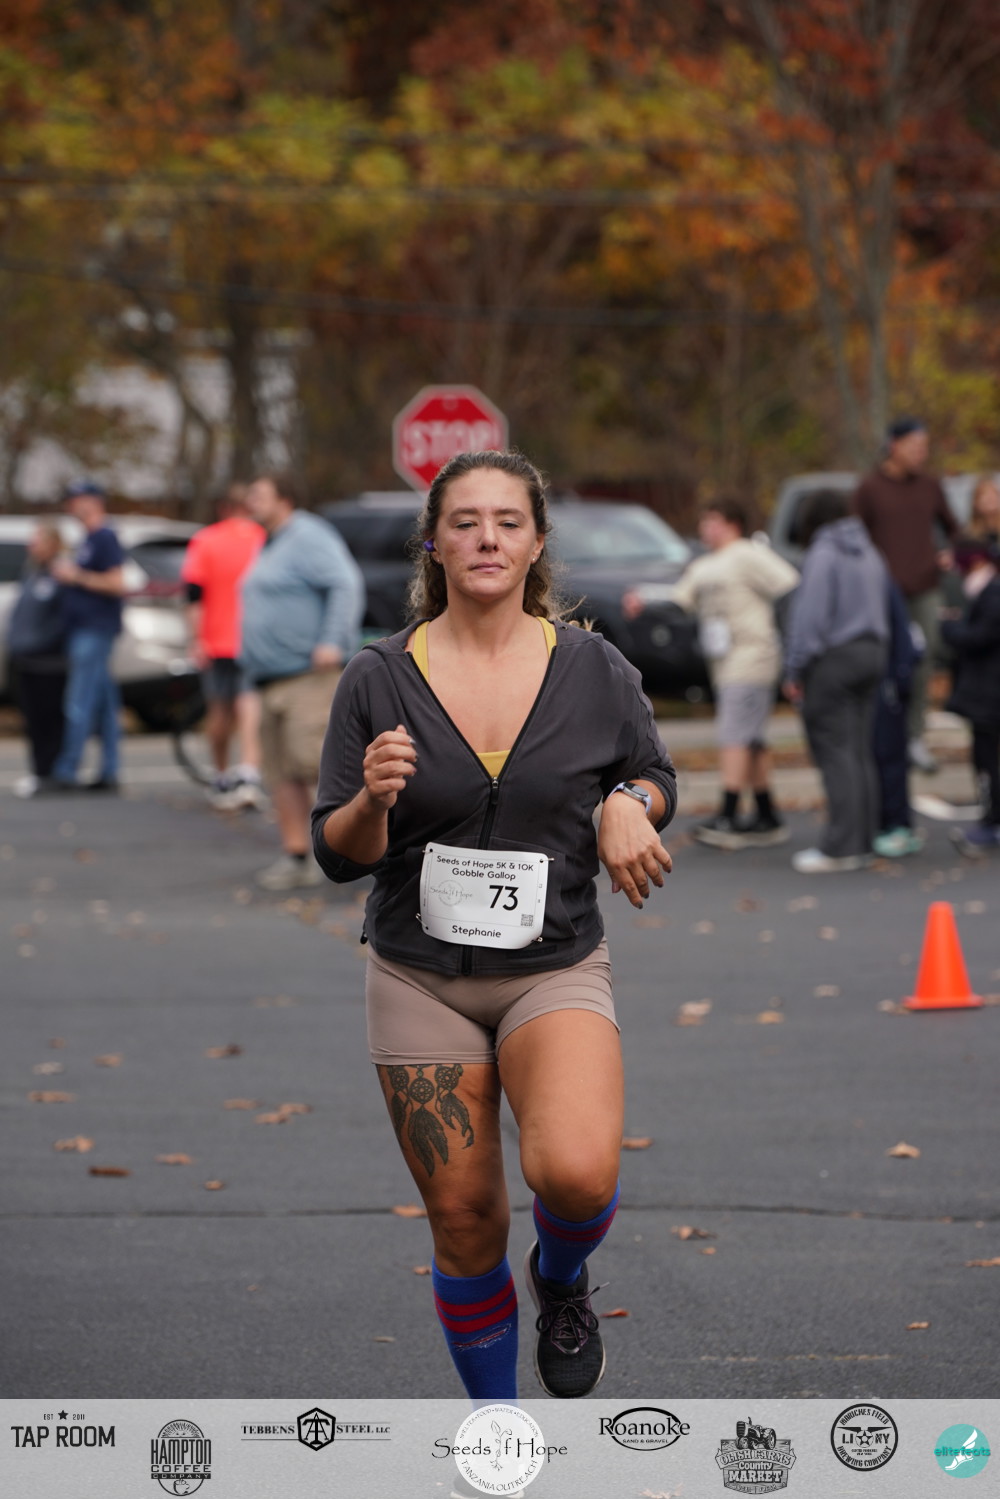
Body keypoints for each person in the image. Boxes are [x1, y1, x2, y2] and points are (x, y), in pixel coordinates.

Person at [311, 449, 677, 1404]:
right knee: (467, 1219)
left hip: (552, 963)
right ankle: (498, 1429)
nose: (486, 537)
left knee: (577, 1175)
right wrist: (372, 800)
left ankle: (561, 1273)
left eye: (508, 521)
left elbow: (653, 773)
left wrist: (627, 803)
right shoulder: (379, 677)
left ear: (537, 542)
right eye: (464, 521)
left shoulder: (593, 668)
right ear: (433, 543)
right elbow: (337, 852)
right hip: (419, 974)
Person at [241, 473, 365, 890]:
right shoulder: (271, 542)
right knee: (281, 772)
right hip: (269, 679)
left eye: (259, 494)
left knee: (315, 767)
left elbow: (345, 583)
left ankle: (347, 855)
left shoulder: (308, 535)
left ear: (285, 499)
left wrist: (332, 640)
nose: (251, 501)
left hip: (308, 677)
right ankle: (296, 856)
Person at [670, 496, 798, 849]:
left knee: (734, 736)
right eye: (704, 521)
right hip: (723, 663)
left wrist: (790, 640)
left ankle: (728, 814)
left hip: (753, 657)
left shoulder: (749, 554)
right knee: (751, 739)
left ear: (733, 524)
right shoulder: (704, 565)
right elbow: (677, 600)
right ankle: (766, 814)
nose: (705, 528)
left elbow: (790, 585)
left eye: (713, 520)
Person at [784, 490, 890, 873]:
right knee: (859, 751)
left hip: (834, 659)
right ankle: (862, 841)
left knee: (835, 752)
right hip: (873, 652)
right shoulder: (869, 551)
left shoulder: (824, 553)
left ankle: (841, 847)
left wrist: (795, 669)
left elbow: (810, 617)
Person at [852, 418, 959, 773]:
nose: (921, 454)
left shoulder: (930, 486)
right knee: (884, 663)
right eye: (915, 446)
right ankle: (882, 735)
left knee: (923, 660)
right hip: (883, 593)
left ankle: (915, 736)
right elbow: (853, 535)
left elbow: (954, 528)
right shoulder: (870, 488)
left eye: (925, 448)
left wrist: (949, 554)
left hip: (925, 588)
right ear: (894, 446)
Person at [182, 483, 266, 810]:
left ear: (222, 508)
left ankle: (220, 775)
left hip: (215, 639)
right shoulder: (263, 538)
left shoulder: (206, 540)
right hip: (253, 638)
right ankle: (248, 771)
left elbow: (193, 594)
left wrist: (196, 638)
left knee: (218, 710)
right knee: (249, 705)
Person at [49, 480, 127, 791]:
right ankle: (110, 770)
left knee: (79, 700)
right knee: (105, 704)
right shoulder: (88, 539)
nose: (71, 505)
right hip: (85, 630)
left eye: (77, 499)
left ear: (94, 501)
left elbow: (116, 583)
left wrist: (76, 576)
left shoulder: (104, 536)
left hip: (94, 630)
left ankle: (67, 769)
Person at [941, 537, 1000, 856]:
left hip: (989, 695)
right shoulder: (986, 592)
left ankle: (992, 822)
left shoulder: (992, 593)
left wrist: (949, 629)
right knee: (986, 758)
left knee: (987, 760)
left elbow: (979, 637)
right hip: (986, 693)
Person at [8, 522, 68, 797]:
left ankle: (51, 772)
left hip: (50, 663)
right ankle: (39, 771)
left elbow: (63, 620)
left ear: (53, 544)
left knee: (50, 719)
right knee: (32, 720)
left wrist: (40, 644)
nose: (31, 546)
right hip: (26, 660)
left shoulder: (62, 575)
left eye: (37, 541)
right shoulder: (31, 574)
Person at [871, 580, 924, 859]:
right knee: (885, 757)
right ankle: (890, 823)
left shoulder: (882, 586)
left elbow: (902, 635)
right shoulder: (881, 582)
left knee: (889, 757)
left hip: (889, 683)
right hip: (889, 681)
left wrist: (900, 678)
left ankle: (896, 825)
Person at [963, 473, 1000, 548]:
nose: (990, 498)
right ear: (975, 502)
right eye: (984, 494)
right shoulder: (967, 537)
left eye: (994, 493)